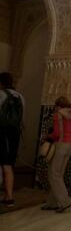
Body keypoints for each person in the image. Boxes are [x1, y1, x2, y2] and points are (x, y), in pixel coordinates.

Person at [40, 96, 71, 213]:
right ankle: (53, 203)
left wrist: (47, 137)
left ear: (58, 106)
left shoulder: (58, 114)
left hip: (61, 145)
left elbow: (56, 133)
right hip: (70, 145)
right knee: (58, 174)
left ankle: (65, 201)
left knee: (53, 174)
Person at [0, 72, 24, 207]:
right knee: (9, 164)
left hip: (2, 132)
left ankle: (8, 197)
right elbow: (22, 119)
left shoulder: (1, 94)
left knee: (5, 165)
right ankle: (8, 196)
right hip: (14, 133)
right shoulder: (20, 96)